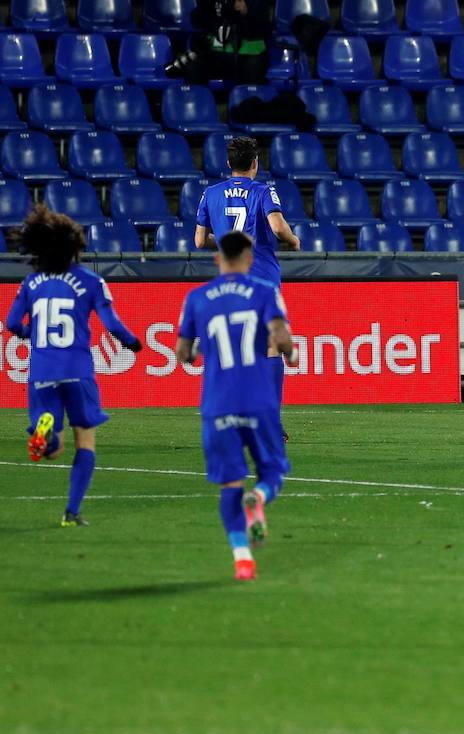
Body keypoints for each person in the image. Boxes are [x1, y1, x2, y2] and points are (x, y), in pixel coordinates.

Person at [5, 204, 142, 527]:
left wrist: (32, 335)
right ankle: (72, 512)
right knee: (85, 440)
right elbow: (112, 324)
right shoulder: (91, 281)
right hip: (77, 369)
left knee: (52, 447)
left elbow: (12, 323)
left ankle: (45, 429)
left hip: (41, 369)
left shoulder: (31, 283)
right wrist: (132, 343)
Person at [176, 232, 295, 582]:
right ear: (248, 258)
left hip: (218, 405)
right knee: (272, 473)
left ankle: (243, 559)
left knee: (230, 485)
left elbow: (183, 353)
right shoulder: (264, 293)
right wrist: (289, 350)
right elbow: (282, 338)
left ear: (218, 259)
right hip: (259, 401)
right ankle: (258, 496)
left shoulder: (196, 298)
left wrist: (198, 351)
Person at [196, 136, 300, 439]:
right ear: (255, 163)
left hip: (228, 284)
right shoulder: (264, 190)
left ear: (229, 163)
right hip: (262, 279)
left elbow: (200, 241)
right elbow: (278, 227)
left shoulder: (210, 194)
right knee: (270, 348)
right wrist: (293, 241)